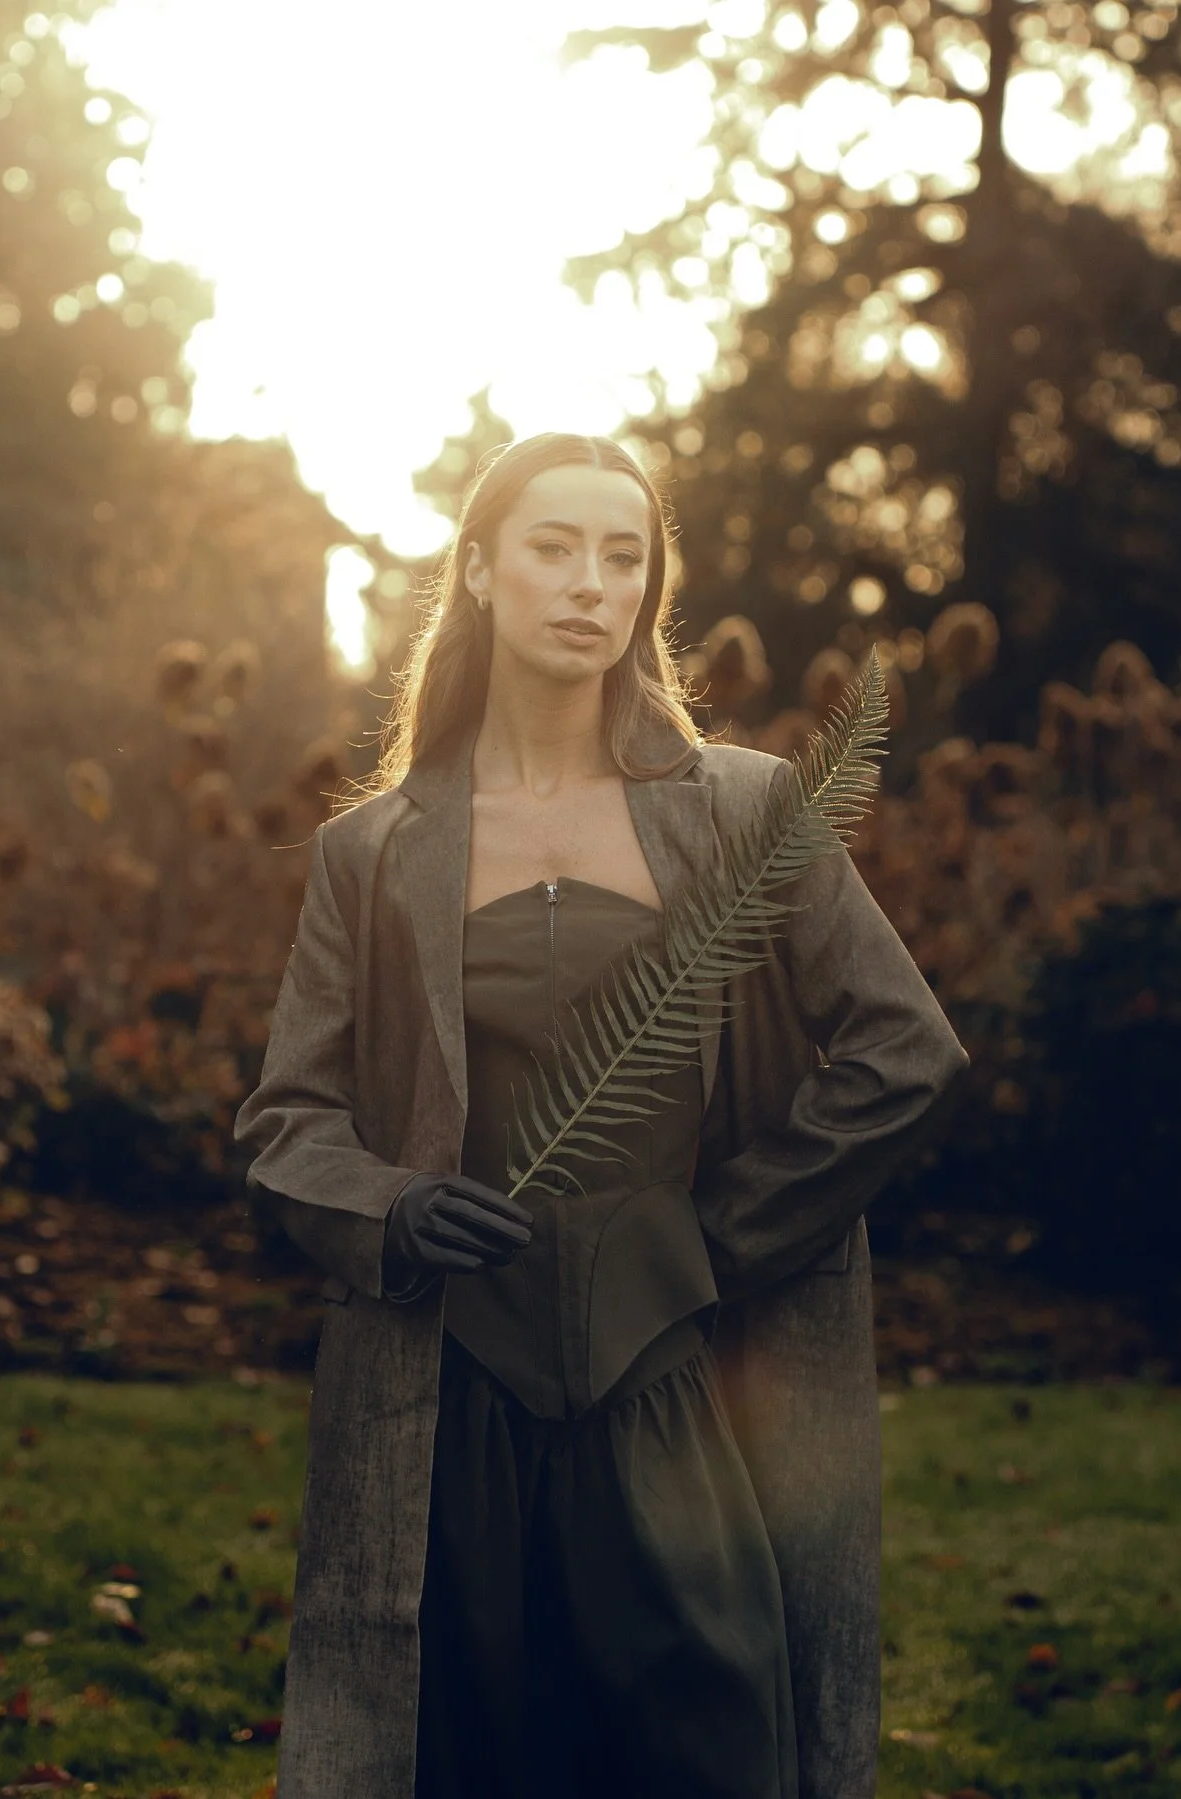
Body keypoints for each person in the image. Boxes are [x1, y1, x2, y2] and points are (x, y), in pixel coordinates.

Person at [233, 432, 971, 1799]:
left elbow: (903, 1052)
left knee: (718, 1746)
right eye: (555, 548)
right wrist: (390, 1206)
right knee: (473, 1757)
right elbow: (287, 1121)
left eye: (624, 556)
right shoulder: (375, 850)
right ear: (478, 570)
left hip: (676, 1393)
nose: (591, 583)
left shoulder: (742, 811)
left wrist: (722, 1236)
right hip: (456, 1407)